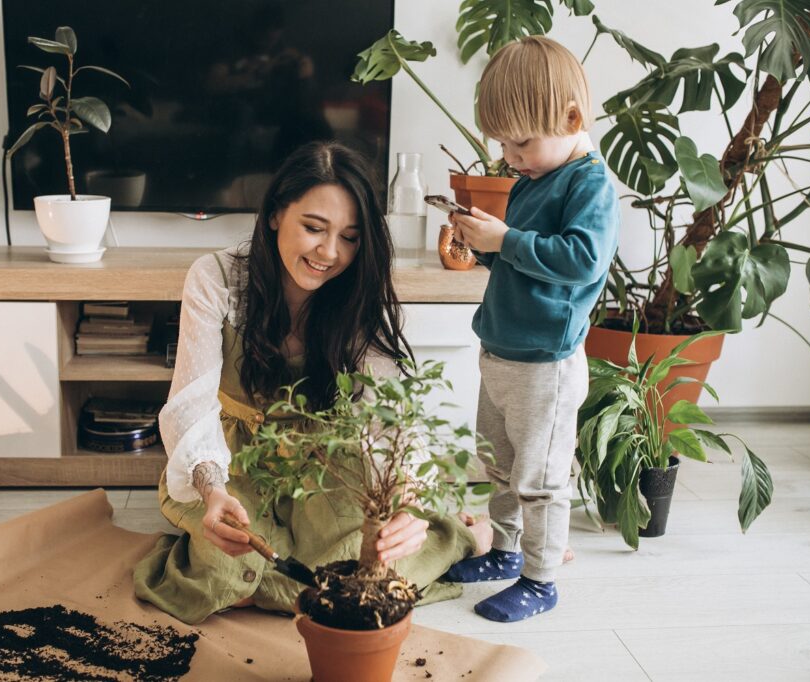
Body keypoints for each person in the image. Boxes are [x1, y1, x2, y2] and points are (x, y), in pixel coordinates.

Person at [134, 141, 492, 624]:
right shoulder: (215, 277)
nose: (330, 252)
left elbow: (389, 417)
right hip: (237, 457)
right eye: (313, 228)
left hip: (331, 458)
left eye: (350, 237)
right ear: (276, 214)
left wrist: (407, 502)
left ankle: (464, 534)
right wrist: (213, 490)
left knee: (352, 569)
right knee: (228, 577)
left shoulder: (359, 292)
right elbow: (191, 404)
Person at [443, 36, 619, 622]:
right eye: (503, 143)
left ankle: (541, 580)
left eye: (521, 141)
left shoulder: (587, 184)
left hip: (545, 362)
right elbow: (522, 262)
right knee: (497, 461)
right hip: (501, 350)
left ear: (571, 119)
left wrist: (506, 241)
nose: (511, 155)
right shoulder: (531, 178)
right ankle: (505, 550)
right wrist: (485, 244)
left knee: (539, 477)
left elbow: (580, 260)